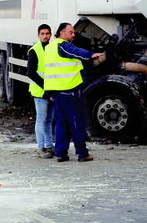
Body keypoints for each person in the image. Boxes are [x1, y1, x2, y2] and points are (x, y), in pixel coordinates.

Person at [42, 22, 104, 162]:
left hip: (57, 94)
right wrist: (91, 54)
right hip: (70, 92)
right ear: (61, 33)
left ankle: (61, 154)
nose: (73, 35)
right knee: (76, 123)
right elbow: (76, 52)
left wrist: (50, 93)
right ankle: (82, 154)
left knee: (60, 124)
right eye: (71, 32)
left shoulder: (50, 47)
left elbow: (51, 71)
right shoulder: (63, 45)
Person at [26, 23, 55, 158]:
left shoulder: (53, 49)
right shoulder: (34, 51)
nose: (45, 36)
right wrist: (46, 87)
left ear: (50, 35)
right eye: (42, 34)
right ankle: (41, 147)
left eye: (47, 33)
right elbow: (31, 73)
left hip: (51, 91)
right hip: (40, 91)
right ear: (38, 35)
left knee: (49, 120)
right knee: (41, 119)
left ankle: (49, 146)